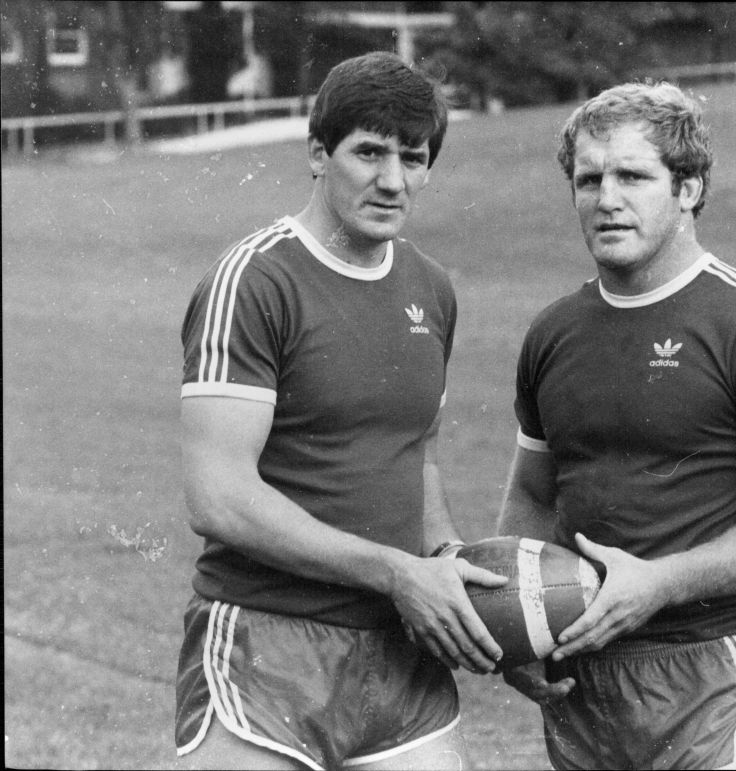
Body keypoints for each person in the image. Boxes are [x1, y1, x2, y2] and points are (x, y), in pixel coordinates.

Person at [497, 80, 736, 770]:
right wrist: (518, 630)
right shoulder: (553, 332)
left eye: (633, 176)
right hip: (582, 678)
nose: (607, 198)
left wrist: (660, 582)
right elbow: (533, 496)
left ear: (687, 188)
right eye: (588, 179)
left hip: (707, 672)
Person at [174, 51, 508, 771]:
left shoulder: (432, 288)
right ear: (318, 154)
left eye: (413, 158)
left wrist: (447, 565)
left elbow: (416, 457)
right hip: (267, 643)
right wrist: (396, 570)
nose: (392, 180)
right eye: (369, 152)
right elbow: (219, 498)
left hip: (398, 653)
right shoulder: (256, 281)